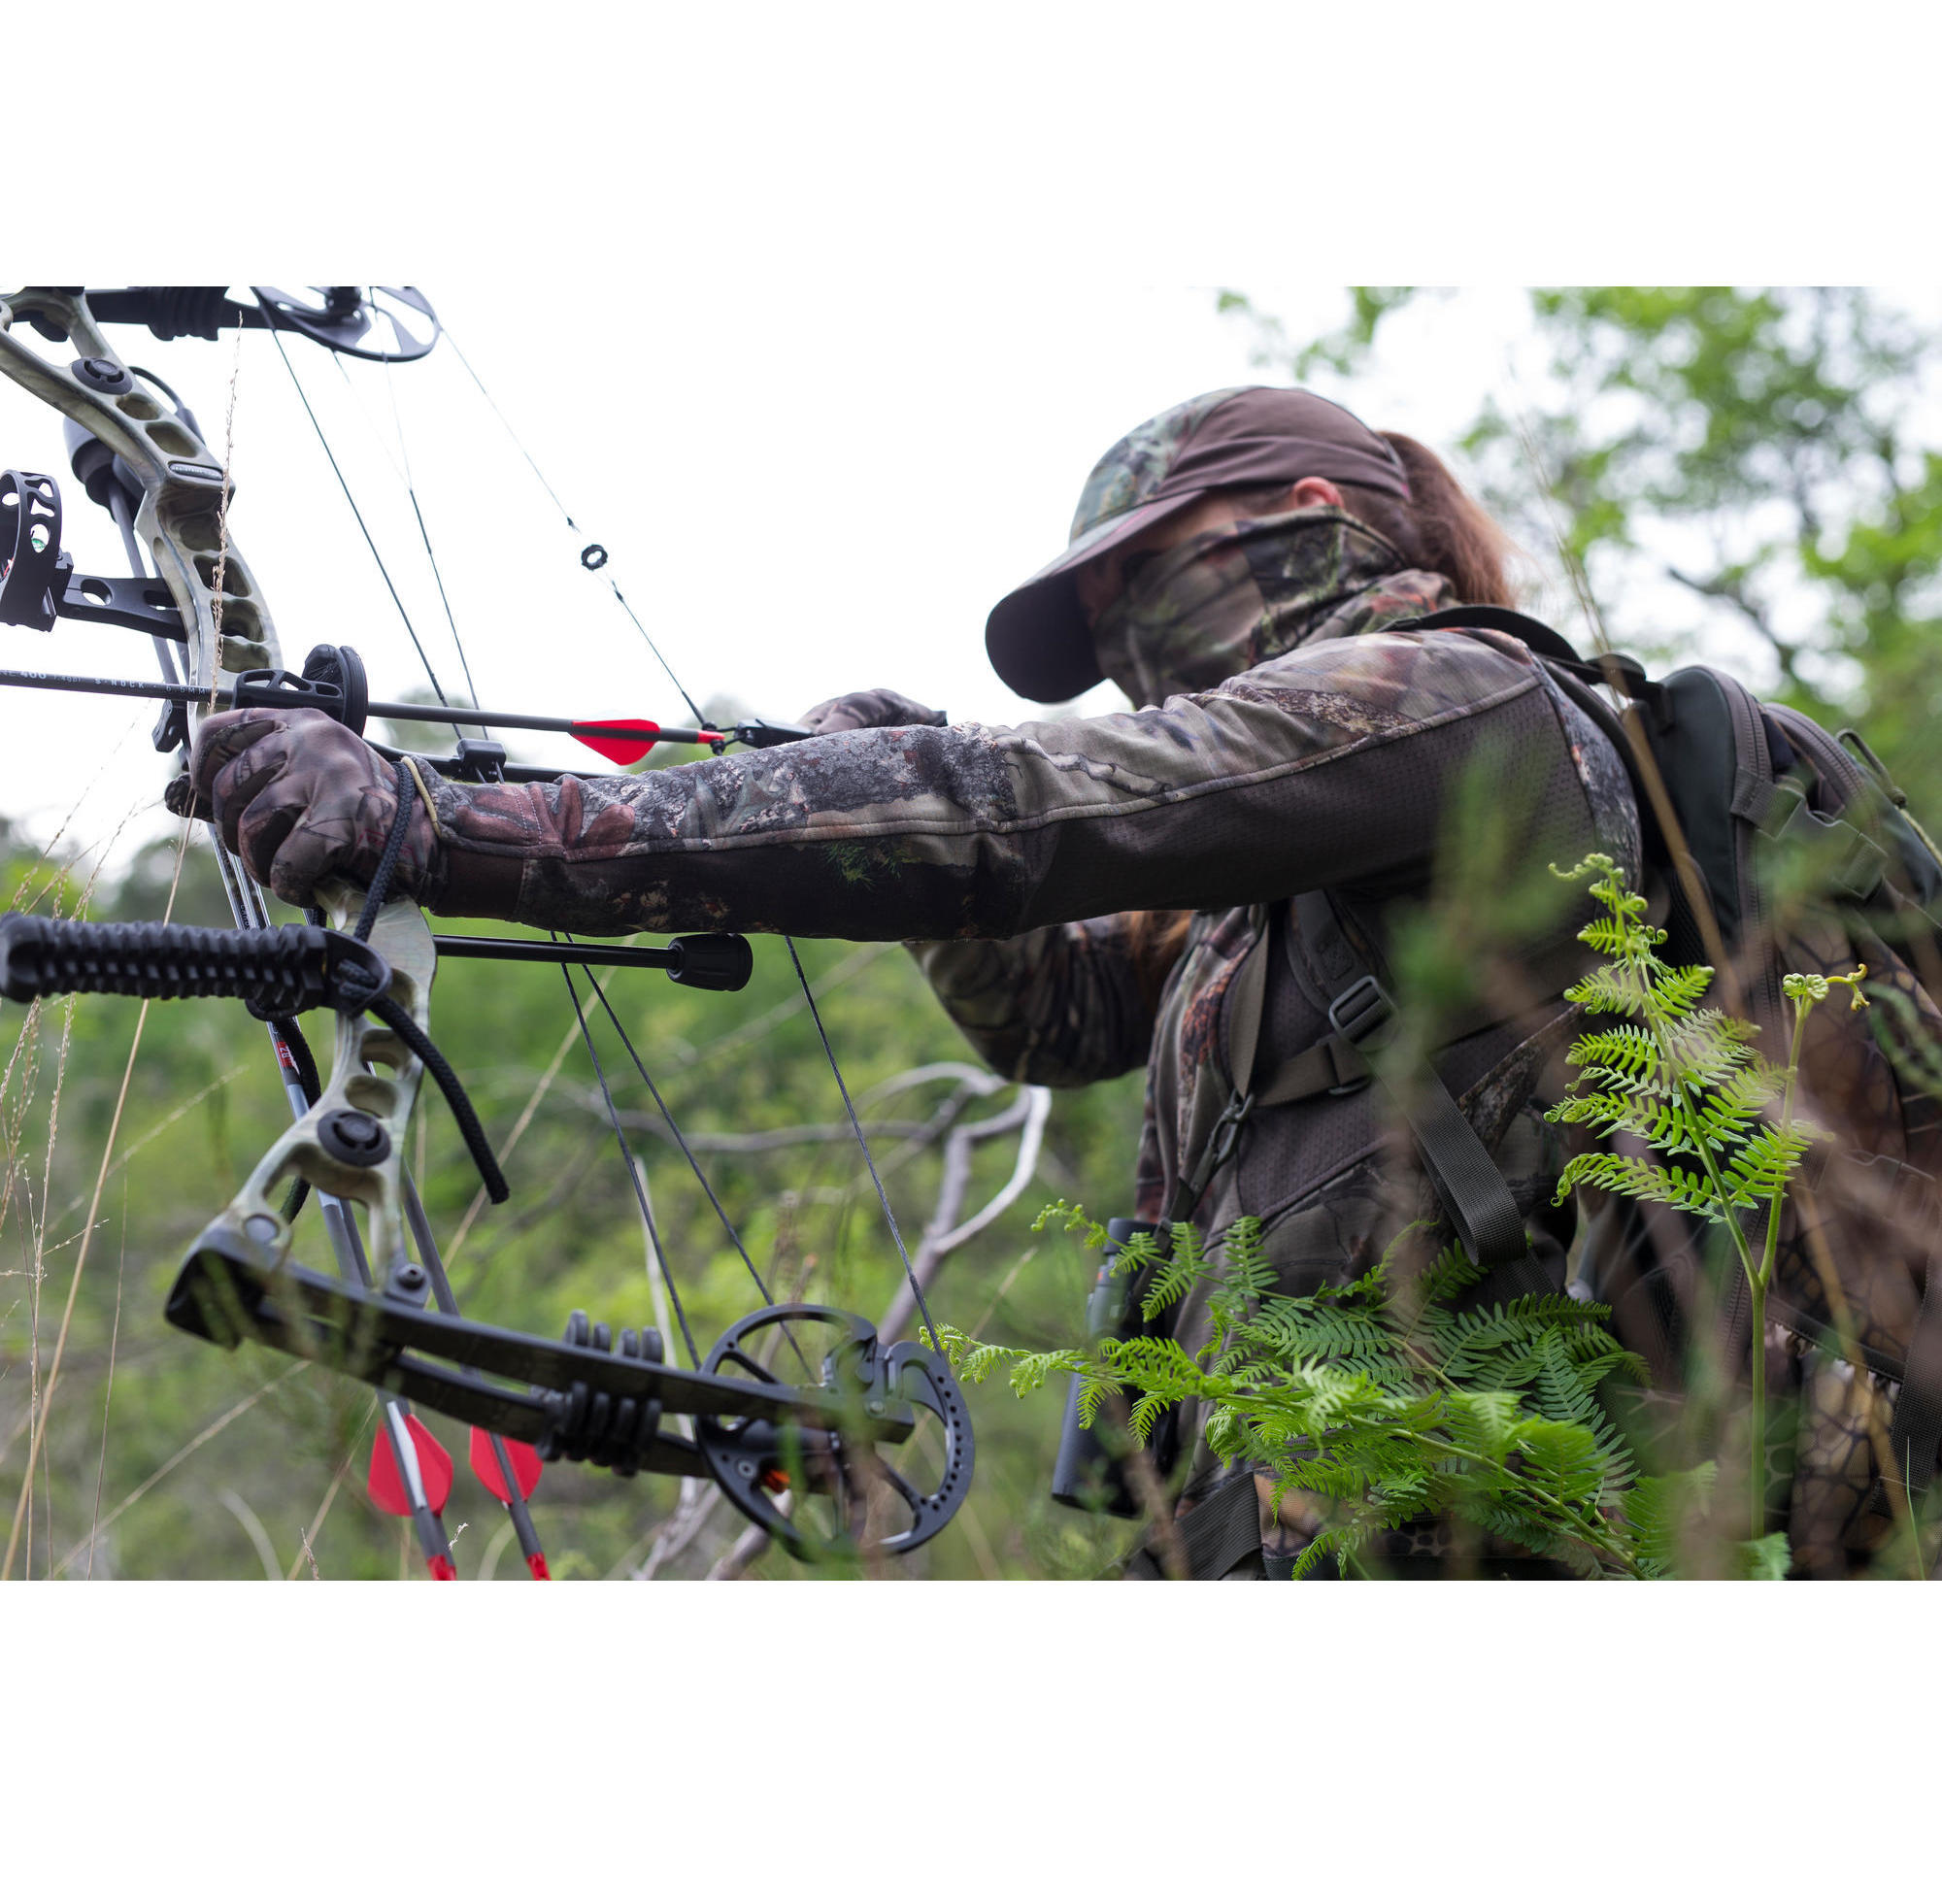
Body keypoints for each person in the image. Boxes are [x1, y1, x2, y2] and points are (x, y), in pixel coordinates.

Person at [189, 386, 1645, 1576]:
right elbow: (1056, 1018)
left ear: (1312, 516)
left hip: (1508, 1519)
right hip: (1282, 1521)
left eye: (1150, 575)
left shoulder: (1451, 699)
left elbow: (1017, 806)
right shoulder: (1280, 871)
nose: (1133, 646)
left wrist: (447, 825)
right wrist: (879, 818)